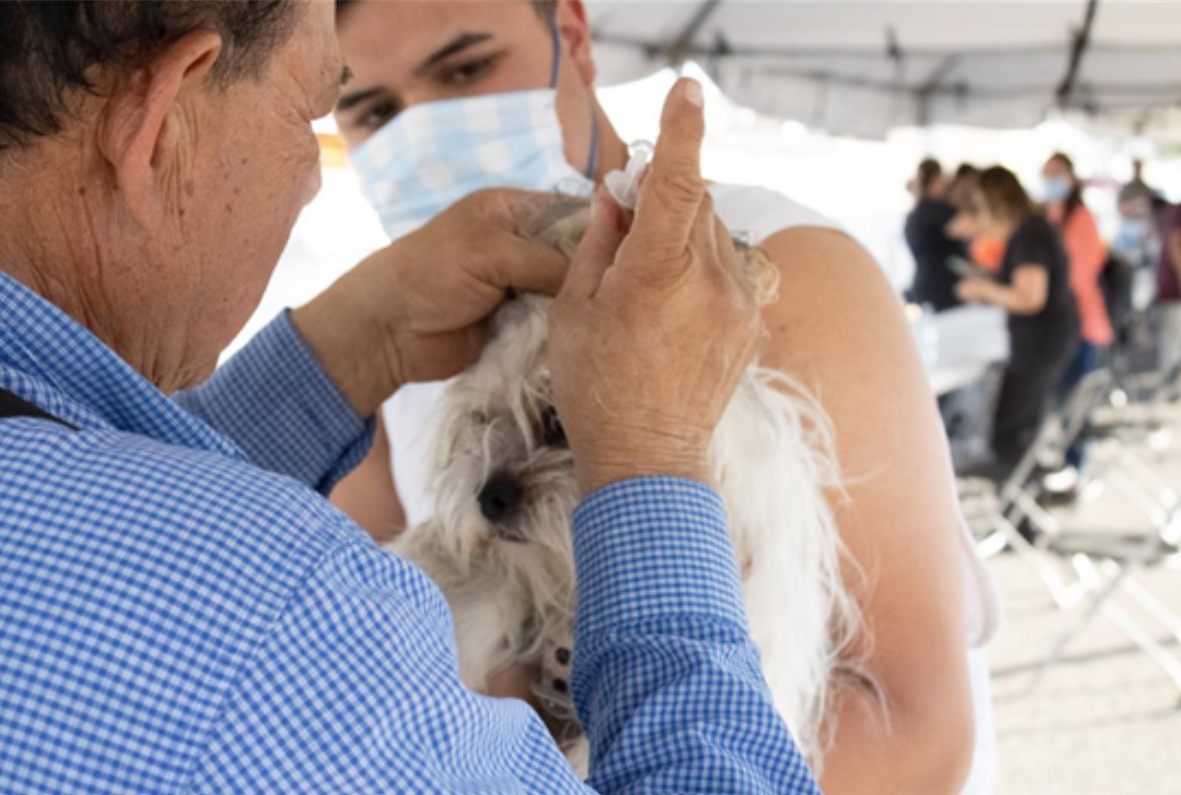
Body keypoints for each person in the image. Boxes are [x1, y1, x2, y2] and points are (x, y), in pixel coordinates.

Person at [0, 1, 821, 792]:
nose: (312, 182)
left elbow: (109, 494)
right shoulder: (274, 613)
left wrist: (355, 340)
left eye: (465, 68)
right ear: (160, 124)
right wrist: (653, 459)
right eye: (315, 114)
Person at [329, 2, 1000, 793]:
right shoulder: (393, 341)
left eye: (466, 67)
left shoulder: (769, 276)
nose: (425, 127)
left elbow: (910, 734)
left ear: (572, 37)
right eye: (372, 110)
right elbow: (370, 656)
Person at [957, 167, 1081, 468]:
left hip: (1040, 343)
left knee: (1011, 429)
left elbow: (1030, 298)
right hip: (1042, 341)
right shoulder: (1030, 231)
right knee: (1020, 419)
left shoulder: (1030, 234)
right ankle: (1020, 482)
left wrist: (983, 289)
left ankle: (1014, 487)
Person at [905, 158, 965, 312]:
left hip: (925, 285)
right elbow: (967, 227)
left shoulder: (916, 212)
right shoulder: (936, 211)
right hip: (940, 288)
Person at [1156, 201, 1181, 379]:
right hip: (1173, 291)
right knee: (1172, 343)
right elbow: (1174, 243)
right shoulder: (1178, 211)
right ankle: (1170, 384)